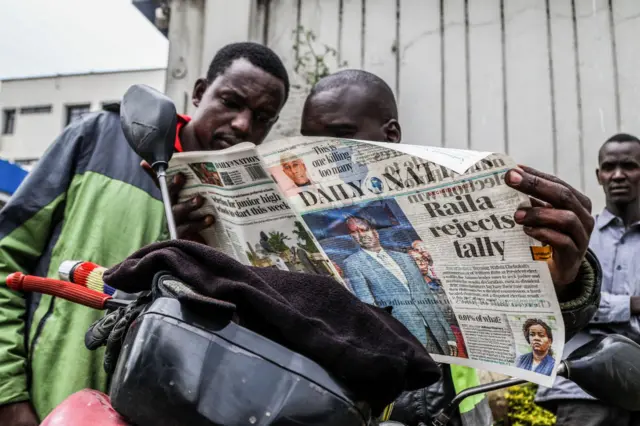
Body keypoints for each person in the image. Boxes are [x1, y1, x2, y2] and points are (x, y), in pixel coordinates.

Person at [0, 42, 289, 425]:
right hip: (41, 403)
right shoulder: (98, 138)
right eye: (231, 101)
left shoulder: (258, 208)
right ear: (200, 91)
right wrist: (8, 393)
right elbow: (7, 257)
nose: (242, 125)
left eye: (263, 117)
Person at [300, 69, 601, 426]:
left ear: (390, 134)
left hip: (450, 410)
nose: (319, 154)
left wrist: (562, 283)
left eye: (341, 136)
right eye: (307, 141)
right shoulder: (335, 248)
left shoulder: (428, 220)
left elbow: (509, 313)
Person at [536, 133, 640, 425]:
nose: (618, 175)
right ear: (599, 175)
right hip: (581, 388)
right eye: (609, 167)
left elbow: (585, 305)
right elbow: (560, 305)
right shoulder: (575, 238)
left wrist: (596, 306)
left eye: (629, 166)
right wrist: (631, 306)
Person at [343, 215, 458, 356]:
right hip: (407, 337)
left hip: (437, 332)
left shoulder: (404, 258)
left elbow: (429, 298)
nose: (360, 234)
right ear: (351, 237)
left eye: (363, 229)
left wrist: (450, 336)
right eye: (354, 232)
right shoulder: (353, 264)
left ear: (375, 232)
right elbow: (370, 308)